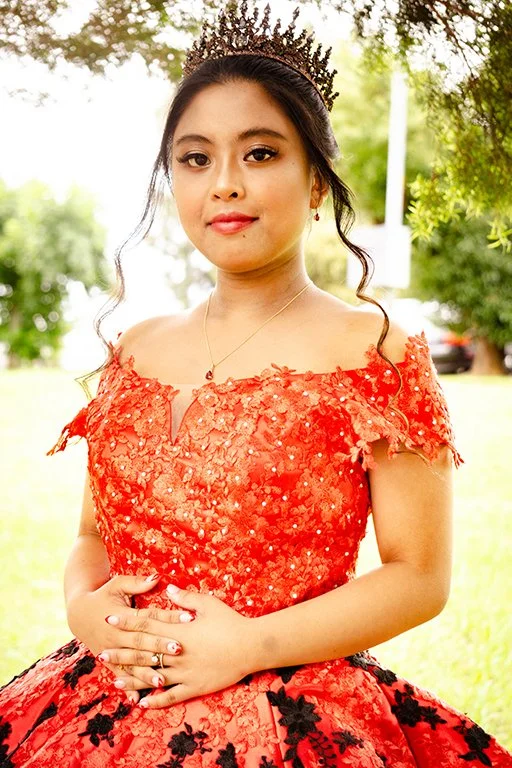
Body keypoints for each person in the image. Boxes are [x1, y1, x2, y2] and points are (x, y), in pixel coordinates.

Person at [1, 2, 511, 766]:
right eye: (196, 158)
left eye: (262, 154)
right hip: (102, 701)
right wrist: (84, 610)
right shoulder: (136, 348)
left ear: (315, 181)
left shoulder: (374, 351)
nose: (226, 185)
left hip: (289, 706)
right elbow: (91, 538)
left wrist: (248, 645)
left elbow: (419, 577)